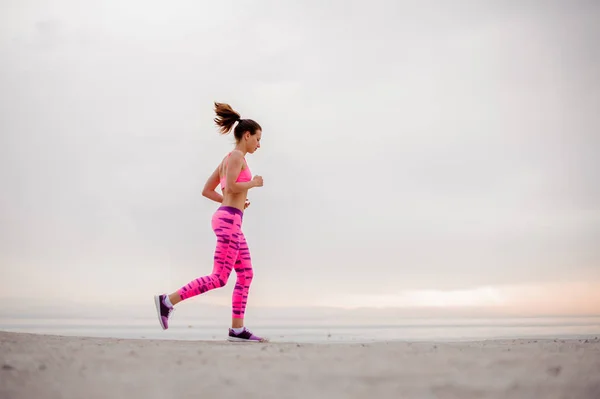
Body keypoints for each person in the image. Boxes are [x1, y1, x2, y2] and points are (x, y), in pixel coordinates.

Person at [154, 102, 266, 342]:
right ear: (246, 135)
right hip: (229, 221)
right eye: (257, 139)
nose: (259, 144)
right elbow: (233, 186)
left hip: (230, 218)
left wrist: (235, 200)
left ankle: (237, 329)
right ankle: (168, 300)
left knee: (245, 274)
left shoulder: (227, 159)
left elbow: (208, 190)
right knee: (219, 277)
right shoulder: (237, 156)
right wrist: (253, 184)